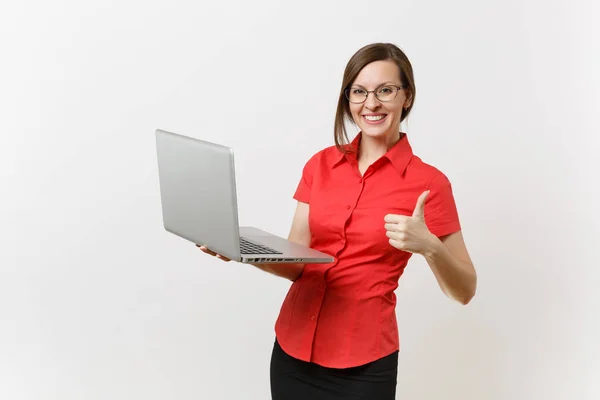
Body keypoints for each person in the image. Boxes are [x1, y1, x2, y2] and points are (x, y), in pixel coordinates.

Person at [197, 42, 477, 400]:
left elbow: (465, 291)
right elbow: (296, 263)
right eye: (358, 92)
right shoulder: (320, 165)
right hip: (293, 351)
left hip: (363, 365)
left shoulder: (429, 183)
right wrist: (241, 251)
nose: (370, 103)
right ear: (348, 99)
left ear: (407, 97)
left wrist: (430, 247)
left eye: (385, 90)